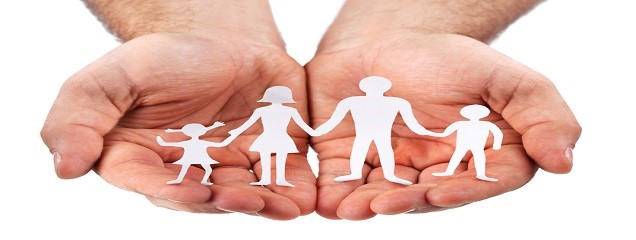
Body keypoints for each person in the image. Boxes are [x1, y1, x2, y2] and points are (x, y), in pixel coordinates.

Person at [40, 0, 581, 220]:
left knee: (383, 161)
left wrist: (415, 31)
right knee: (362, 157)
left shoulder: (388, 102)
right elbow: (284, 123)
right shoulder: (343, 105)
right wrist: (190, 31)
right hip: (286, 143)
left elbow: (405, 125)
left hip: (365, 136)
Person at [314, 76, 435, 185]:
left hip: (377, 134)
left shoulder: (398, 102)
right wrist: (317, 132)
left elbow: (413, 124)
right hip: (368, 134)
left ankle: (388, 175)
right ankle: (359, 173)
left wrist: (429, 132)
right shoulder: (352, 101)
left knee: (377, 150)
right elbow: (333, 120)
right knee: (368, 149)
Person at [224, 86, 317, 187]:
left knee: (268, 158)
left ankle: (273, 179)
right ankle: (271, 179)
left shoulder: (263, 110)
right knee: (278, 158)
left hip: (270, 137)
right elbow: (304, 126)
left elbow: (248, 124)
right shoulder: (289, 110)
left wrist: (236, 131)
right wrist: (314, 132)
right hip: (278, 137)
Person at [430, 105, 503, 182]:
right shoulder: (460, 123)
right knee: (457, 156)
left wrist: (496, 145)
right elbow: (444, 134)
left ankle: (481, 174)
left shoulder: (487, 124)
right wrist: (429, 133)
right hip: (463, 145)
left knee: (478, 157)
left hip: (477, 146)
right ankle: (449, 171)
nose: (474, 115)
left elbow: (498, 134)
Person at [156, 121, 228, 185]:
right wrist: (232, 136)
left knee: (185, 169)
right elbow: (221, 144)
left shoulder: (186, 143)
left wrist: (160, 139)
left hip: (192, 158)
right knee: (208, 170)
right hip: (200, 158)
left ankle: (179, 180)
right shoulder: (203, 142)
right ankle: (203, 180)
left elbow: (164, 144)